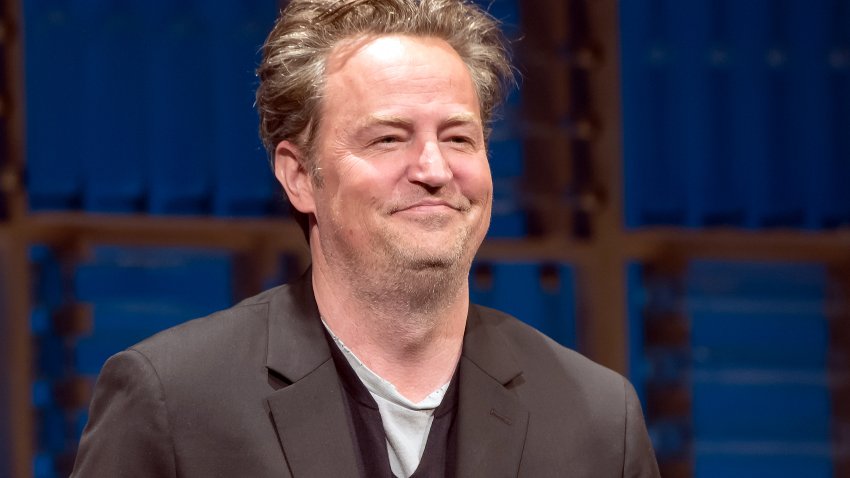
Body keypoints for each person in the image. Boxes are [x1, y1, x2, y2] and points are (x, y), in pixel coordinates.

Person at [72, 0, 660, 476]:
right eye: (388, 138)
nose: (434, 169)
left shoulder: (600, 421)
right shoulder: (172, 401)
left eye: (458, 138)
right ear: (300, 176)